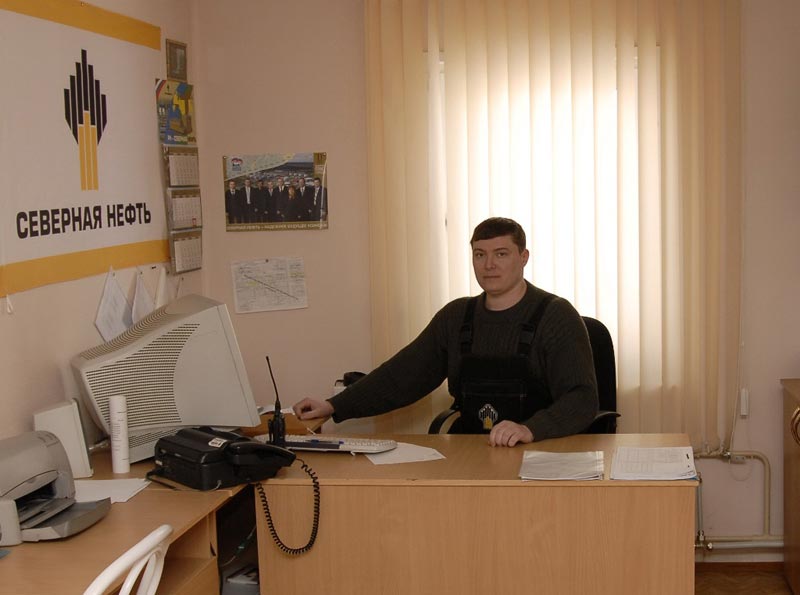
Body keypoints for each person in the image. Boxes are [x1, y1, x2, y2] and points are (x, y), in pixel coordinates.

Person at [293, 217, 598, 447]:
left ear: (524, 257)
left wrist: (529, 429)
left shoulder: (556, 316)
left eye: (501, 254)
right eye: (480, 255)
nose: (489, 265)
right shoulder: (456, 317)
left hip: (540, 451)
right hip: (471, 452)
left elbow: (582, 398)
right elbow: (403, 375)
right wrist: (335, 405)